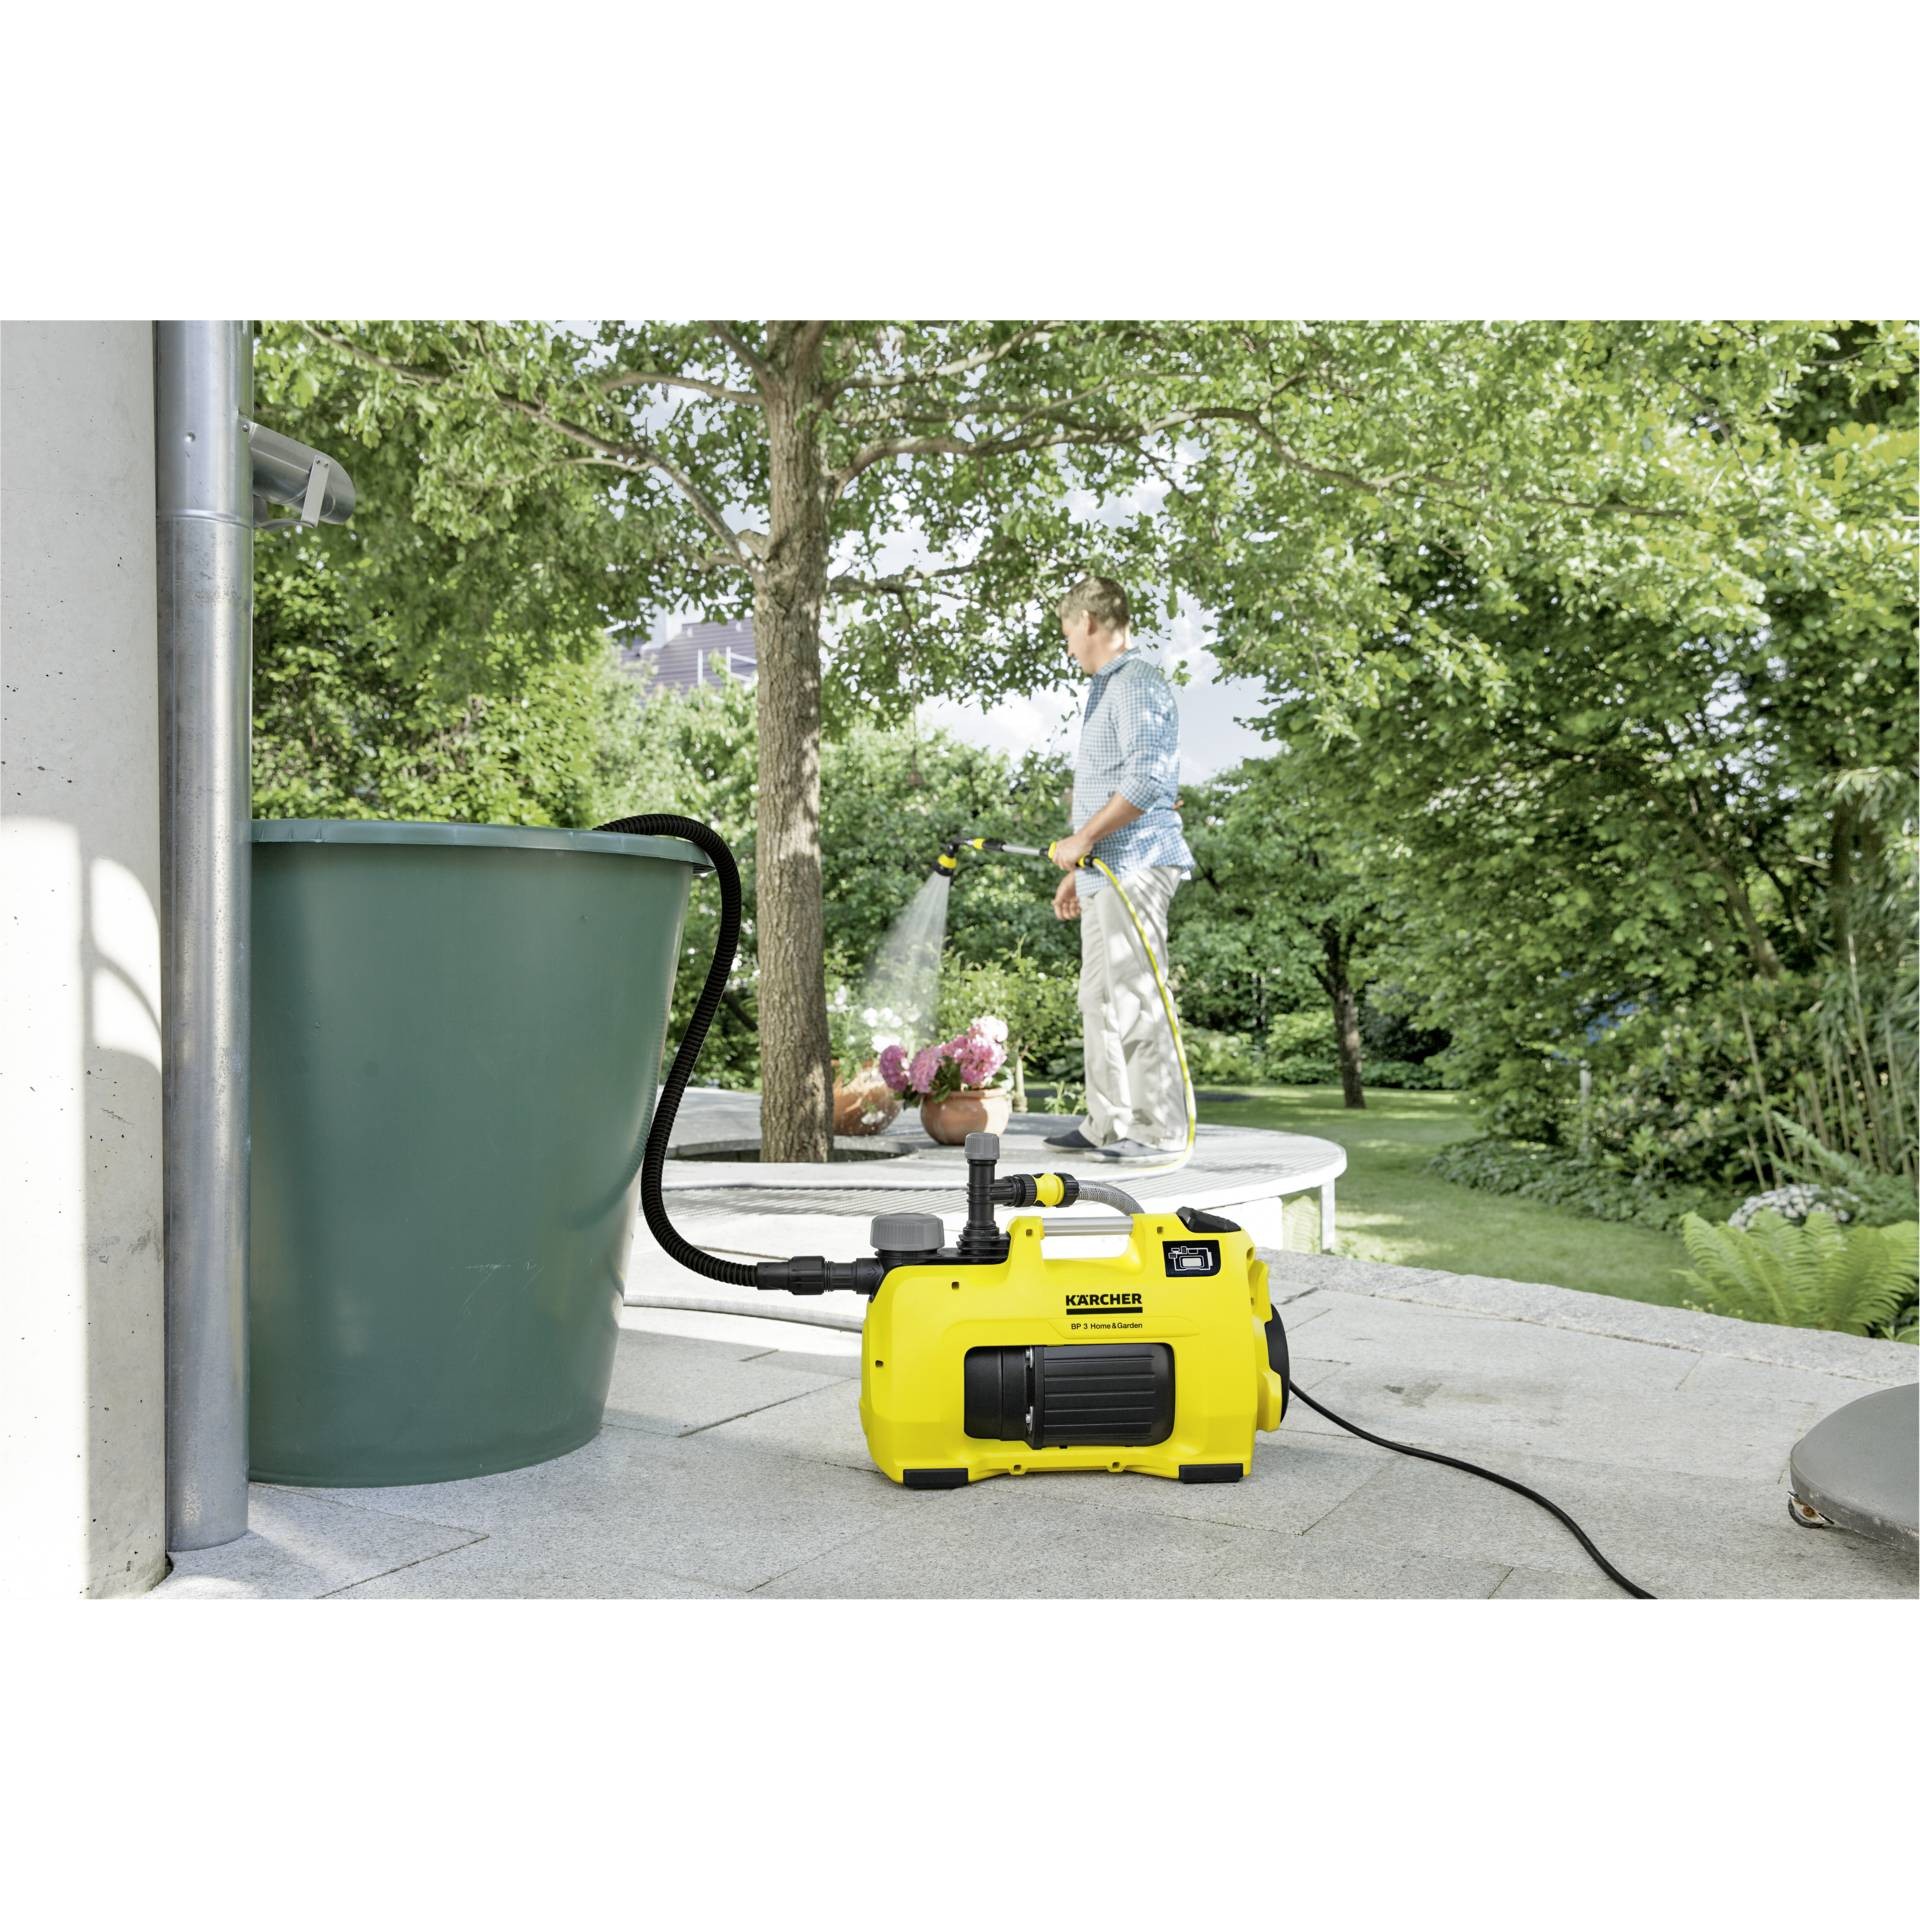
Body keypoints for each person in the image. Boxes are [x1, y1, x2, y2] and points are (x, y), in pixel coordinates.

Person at [1045, 576, 1193, 1159]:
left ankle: (1159, 1131)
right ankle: (1106, 1123)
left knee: (1134, 995)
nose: (1068, 646)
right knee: (1098, 1000)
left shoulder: (1136, 682)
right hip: (1106, 869)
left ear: (1087, 621)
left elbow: (1149, 778)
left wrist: (1083, 838)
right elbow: (1116, 785)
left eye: (1067, 633)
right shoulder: (1109, 689)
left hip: (1137, 864)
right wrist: (1077, 867)